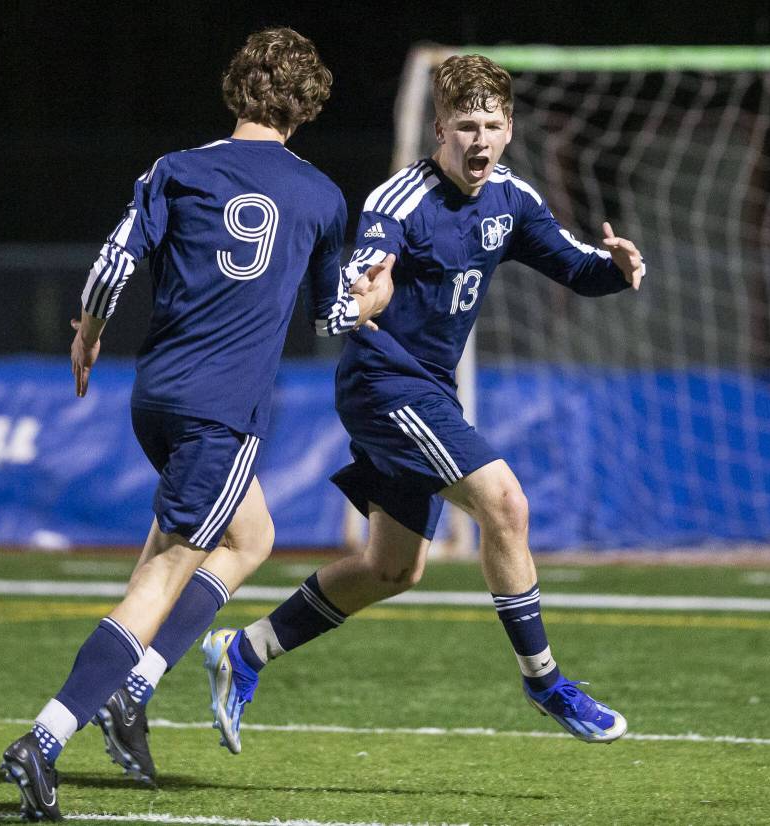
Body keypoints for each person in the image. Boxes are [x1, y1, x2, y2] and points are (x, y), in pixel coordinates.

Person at [0, 27, 393, 822]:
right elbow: (331, 315)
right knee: (164, 574)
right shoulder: (319, 196)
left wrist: (87, 329)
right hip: (223, 411)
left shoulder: (177, 168)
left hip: (157, 396)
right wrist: (374, 302)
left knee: (251, 536)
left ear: (234, 89)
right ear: (307, 106)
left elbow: (115, 260)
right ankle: (46, 736)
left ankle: (133, 687)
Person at [201, 53, 646, 755]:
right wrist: (355, 298)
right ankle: (546, 682)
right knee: (506, 505)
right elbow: (349, 291)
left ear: (508, 130)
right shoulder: (397, 203)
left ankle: (245, 651)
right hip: (384, 384)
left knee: (392, 569)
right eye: (464, 125)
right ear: (438, 129)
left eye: (491, 126)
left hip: (430, 391)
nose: (479, 140)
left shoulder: (512, 200)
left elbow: (574, 265)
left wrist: (616, 270)